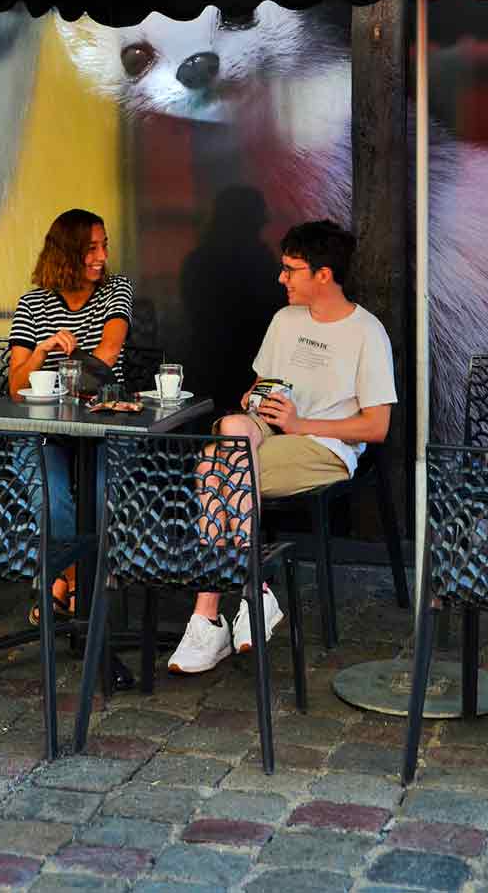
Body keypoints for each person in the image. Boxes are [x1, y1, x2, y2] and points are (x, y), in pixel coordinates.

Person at [168, 218, 396, 674]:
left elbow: (377, 428)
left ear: (323, 275)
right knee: (232, 425)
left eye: (291, 269)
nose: (281, 278)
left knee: (217, 469)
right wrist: (257, 400)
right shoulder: (285, 320)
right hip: (268, 431)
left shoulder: (367, 332)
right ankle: (256, 591)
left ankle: (208, 615)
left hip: (326, 446)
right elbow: (257, 388)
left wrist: (299, 423)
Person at [9, 208, 132, 617]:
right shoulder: (33, 304)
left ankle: (62, 583)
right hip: (50, 431)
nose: (101, 256)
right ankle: (77, 583)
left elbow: (109, 355)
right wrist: (42, 350)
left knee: (100, 492)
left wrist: (70, 362)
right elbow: (15, 386)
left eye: (104, 246)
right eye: (90, 249)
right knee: (49, 491)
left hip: (107, 427)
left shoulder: (116, 291)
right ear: (66, 255)